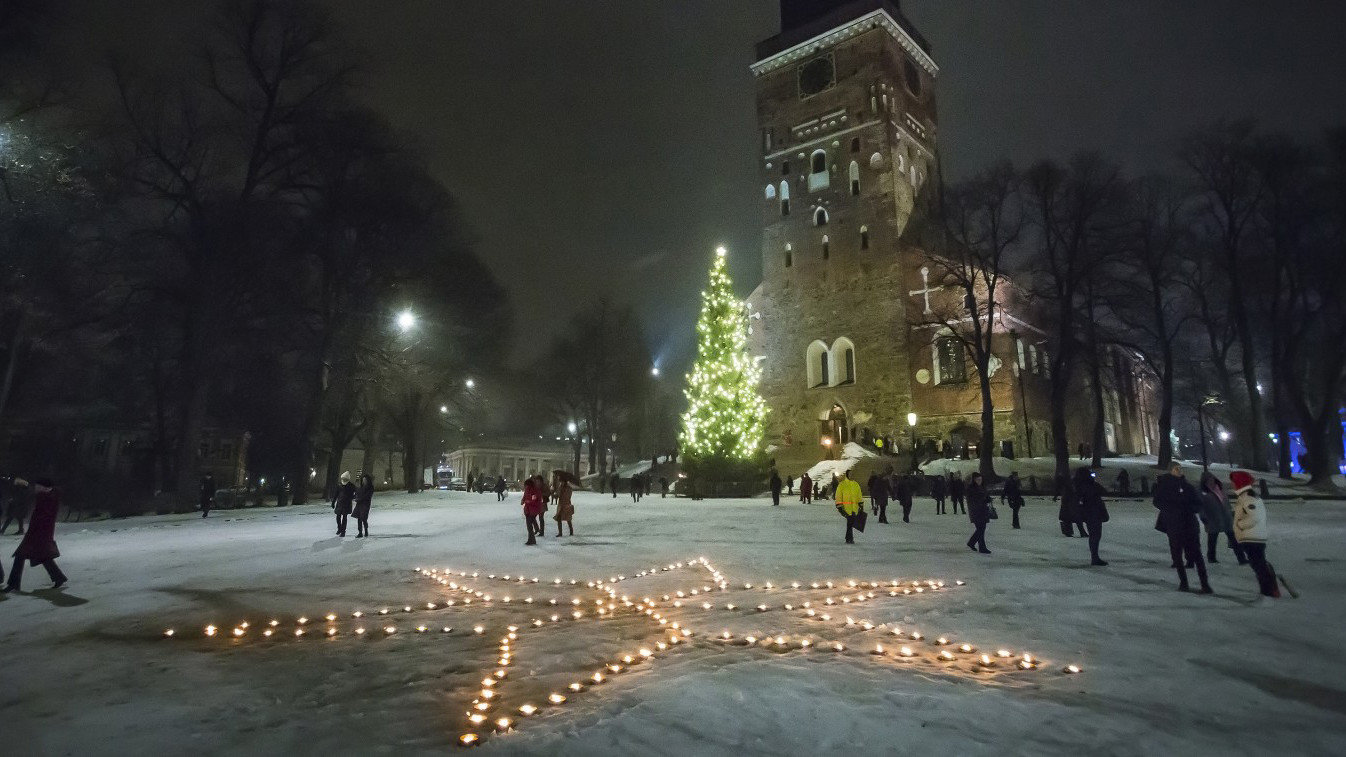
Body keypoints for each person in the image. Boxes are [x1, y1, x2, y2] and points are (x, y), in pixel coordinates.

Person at [1153, 463, 1212, 593]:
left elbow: (1198, 504)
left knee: (1197, 555)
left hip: (1189, 524)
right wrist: (1171, 510)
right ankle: (1184, 582)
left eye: (1180, 468)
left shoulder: (1188, 487)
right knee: (1177, 555)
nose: (1179, 470)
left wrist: (1188, 508)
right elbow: (1157, 501)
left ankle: (1205, 584)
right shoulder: (1165, 487)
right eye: (1175, 468)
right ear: (1171, 471)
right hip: (1174, 524)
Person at [3, 478, 67, 592]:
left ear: (44, 487)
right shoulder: (48, 497)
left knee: (21, 556)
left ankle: (13, 584)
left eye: (38, 486)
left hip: (38, 534)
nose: (36, 488)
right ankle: (59, 577)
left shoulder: (45, 498)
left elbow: (43, 518)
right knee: (42, 557)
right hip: (38, 534)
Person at [1230, 470, 1278, 597]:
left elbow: (1254, 517)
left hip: (1252, 538)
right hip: (1253, 537)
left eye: (1234, 482)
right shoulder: (1246, 497)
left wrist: (1240, 525)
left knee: (1259, 566)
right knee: (1259, 565)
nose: (1232, 484)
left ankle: (1268, 592)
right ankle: (1269, 590)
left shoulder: (1247, 498)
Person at [1199, 472, 1245, 564]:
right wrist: (1203, 517)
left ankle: (1241, 558)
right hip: (1212, 518)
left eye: (1212, 479)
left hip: (1226, 517)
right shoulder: (1203, 493)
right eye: (1208, 481)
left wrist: (1231, 512)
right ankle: (1211, 558)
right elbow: (1200, 506)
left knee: (1234, 539)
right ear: (1204, 482)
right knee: (1212, 539)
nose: (1211, 482)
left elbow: (1226, 503)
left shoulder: (1220, 489)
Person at [1073, 467, 1109, 565]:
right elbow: (1102, 491)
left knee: (1095, 535)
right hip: (1093, 512)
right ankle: (1095, 557)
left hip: (1090, 512)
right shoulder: (1087, 485)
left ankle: (1095, 556)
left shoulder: (1080, 485)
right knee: (1095, 535)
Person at [965, 472, 991, 554]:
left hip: (982, 510)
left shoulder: (982, 487)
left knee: (981, 529)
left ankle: (978, 545)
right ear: (974, 480)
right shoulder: (971, 488)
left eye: (980, 479)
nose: (979, 481)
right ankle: (976, 545)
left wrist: (987, 499)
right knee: (981, 529)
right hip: (976, 511)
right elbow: (972, 500)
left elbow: (985, 496)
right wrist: (983, 499)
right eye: (978, 479)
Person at [834, 471, 863, 544]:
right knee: (850, 523)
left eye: (852, 474)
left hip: (854, 508)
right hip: (846, 508)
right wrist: (839, 506)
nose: (851, 475)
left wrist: (860, 504)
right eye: (850, 474)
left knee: (850, 524)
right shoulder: (842, 485)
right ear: (847, 475)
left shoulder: (856, 484)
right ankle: (849, 538)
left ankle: (848, 538)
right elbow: (839, 496)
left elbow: (859, 495)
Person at [331, 472, 355, 537]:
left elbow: (355, 494)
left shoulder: (351, 486)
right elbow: (336, 494)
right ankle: (339, 528)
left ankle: (343, 531)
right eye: (343, 478)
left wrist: (351, 497)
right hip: (340, 503)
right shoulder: (339, 485)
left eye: (345, 478)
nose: (343, 480)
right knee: (338, 516)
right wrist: (333, 502)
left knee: (344, 517)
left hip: (347, 504)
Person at [522, 477, 544, 546]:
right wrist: (523, 500)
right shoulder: (527, 489)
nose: (525, 487)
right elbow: (525, 496)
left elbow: (535, 501)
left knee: (529, 524)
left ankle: (531, 539)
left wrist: (528, 502)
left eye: (526, 485)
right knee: (529, 525)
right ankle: (531, 539)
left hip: (534, 509)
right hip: (528, 509)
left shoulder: (535, 490)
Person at [353, 473, 374, 538]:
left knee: (364, 518)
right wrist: (355, 497)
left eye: (365, 480)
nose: (364, 481)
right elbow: (357, 493)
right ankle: (360, 532)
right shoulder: (361, 487)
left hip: (365, 504)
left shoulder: (370, 487)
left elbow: (368, 496)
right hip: (359, 504)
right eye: (363, 480)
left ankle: (366, 531)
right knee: (359, 518)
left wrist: (359, 499)